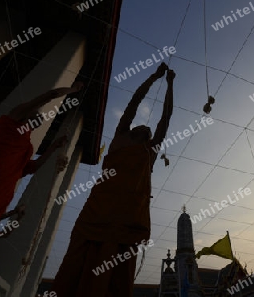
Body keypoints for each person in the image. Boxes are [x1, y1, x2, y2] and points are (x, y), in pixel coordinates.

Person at [51, 62, 175, 297]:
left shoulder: (150, 151)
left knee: (116, 278)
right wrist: (154, 77)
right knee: (73, 270)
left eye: (149, 131)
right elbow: (134, 102)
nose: (146, 128)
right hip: (97, 212)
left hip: (128, 218)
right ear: (131, 129)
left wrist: (170, 84)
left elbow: (166, 116)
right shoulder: (120, 139)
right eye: (141, 127)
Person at [0, 82, 83, 297]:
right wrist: (73, 91)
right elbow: (50, 93)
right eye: (36, 111)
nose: (40, 114)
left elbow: (31, 168)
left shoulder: (27, 146)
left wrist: (54, 147)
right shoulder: (11, 122)